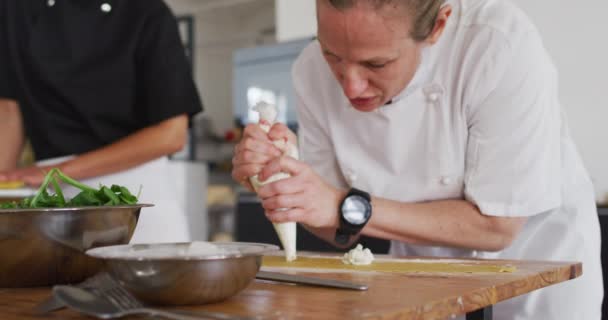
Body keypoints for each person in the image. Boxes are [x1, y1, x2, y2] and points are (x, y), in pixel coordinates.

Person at [231, 0, 603, 318]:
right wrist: (283, 185)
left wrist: (342, 206)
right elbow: (339, 228)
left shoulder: (495, 45)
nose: (350, 85)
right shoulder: (309, 71)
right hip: (420, 273)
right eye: (333, 55)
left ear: (439, 25)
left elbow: (497, 227)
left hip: (538, 274)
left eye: (376, 64)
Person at [0, 0, 203, 243]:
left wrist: (57, 173)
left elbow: (170, 135)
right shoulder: (15, 9)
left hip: (137, 199)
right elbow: (10, 109)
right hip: (51, 203)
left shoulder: (148, 12)